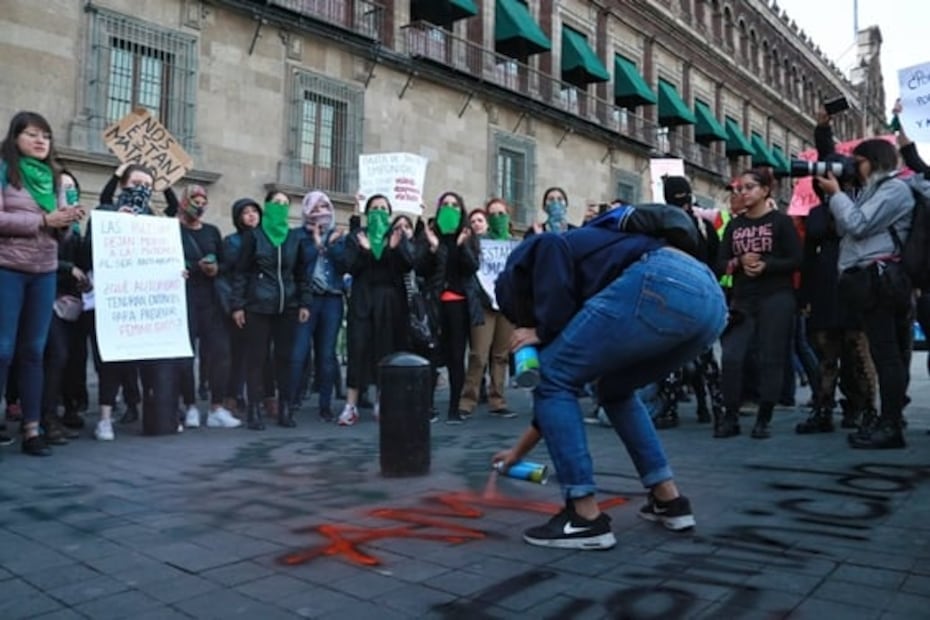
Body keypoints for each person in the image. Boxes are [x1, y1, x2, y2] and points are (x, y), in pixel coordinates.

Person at [494, 207, 727, 549]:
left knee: (554, 377)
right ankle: (669, 500)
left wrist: (540, 328)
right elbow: (559, 405)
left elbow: (553, 383)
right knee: (613, 388)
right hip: (710, 302)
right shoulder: (589, 277)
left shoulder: (534, 253)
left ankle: (584, 517)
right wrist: (517, 453)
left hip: (661, 280)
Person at [816, 139, 925, 449]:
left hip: (882, 282)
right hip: (869, 281)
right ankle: (888, 421)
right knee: (885, 353)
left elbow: (856, 224)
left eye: (858, 161)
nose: (854, 167)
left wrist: (837, 195)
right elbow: (844, 229)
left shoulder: (894, 189)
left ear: (874, 161)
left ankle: (891, 425)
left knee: (887, 355)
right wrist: (841, 195)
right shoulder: (873, 190)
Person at [0, 111, 85, 456]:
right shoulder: (5, 170)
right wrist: (42, 219)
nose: (40, 141)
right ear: (15, 137)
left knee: (34, 351)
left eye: (45, 136)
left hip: (44, 271)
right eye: (32, 134)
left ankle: (32, 429)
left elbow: (60, 232)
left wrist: (67, 221)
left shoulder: (53, 178)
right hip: (7, 268)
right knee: (3, 349)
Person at [716, 168, 802, 439]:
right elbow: (720, 262)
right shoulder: (734, 225)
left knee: (770, 357)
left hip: (776, 295)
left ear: (766, 191)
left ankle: (764, 417)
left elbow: (797, 259)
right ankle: (730, 415)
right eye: (740, 188)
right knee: (731, 356)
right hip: (742, 298)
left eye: (749, 187)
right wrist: (738, 262)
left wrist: (767, 265)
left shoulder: (781, 222)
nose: (743, 192)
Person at [230, 191, 311, 430]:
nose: (281, 207)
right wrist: (238, 305)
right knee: (257, 358)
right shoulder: (254, 236)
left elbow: (301, 274)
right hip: (258, 306)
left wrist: (305, 302)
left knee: (284, 358)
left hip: (287, 307)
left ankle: (285, 408)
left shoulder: (294, 238)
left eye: (285, 204)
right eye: (277, 203)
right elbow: (241, 273)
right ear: (267, 206)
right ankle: (254, 409)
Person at [331, 196, 415, 425]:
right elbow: (349, 265)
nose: (379, 211)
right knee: (357, 347)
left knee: (385, 348)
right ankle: (351, 405)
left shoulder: (395, 234)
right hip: (362, 299)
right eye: (375, 208)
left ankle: (382, 401)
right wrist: (366, 251)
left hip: (390, 302)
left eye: (383, 208)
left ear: (389, 213)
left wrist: (394, 248)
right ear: (368, 212)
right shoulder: (357, 236)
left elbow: (407, 264)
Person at [176, 185, 240, 429]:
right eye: (195, 199)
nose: (200, 205)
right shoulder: (173, 230)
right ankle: (190, 406)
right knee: (185, 356)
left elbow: (225, 264)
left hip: (213, 302)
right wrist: (194, 267)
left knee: (221, 354)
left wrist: (215, 269)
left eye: (204, 200)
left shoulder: (212, 231)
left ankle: (216, 408)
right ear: (184, 201)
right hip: (185, 300)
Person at [419, 192, 483, 424]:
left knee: (457, 357)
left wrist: (460, 246)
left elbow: (472, 267)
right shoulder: (430, 235)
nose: (449, 208)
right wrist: (434, 248)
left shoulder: (468, 236)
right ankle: (427, 406)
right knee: (431, 356)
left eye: (454, 205)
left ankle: (455, 408)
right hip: (434, 304)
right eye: (445, 204)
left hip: (458, 305)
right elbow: (420, 268)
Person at [289, 190, 346, 422]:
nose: (321, 212)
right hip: (307, 300)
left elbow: (344, 264)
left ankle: (325, 404)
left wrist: (331, 245)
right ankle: (289, 402)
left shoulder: (338, 236)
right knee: (299, 352)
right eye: (315, 208)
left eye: (325, 207)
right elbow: (300, 263)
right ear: (306, 211)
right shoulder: (297, 236)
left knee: (327, 354)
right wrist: (318, 243)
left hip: (332, 299)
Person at [459, 199, 517, 419]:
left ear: (508, 215)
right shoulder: (478, 243)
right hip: (484, 304)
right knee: (478, 354)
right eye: (492, 214)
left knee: (501, 355)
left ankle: (497, 400)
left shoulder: (514, 244)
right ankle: (468, 400)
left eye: (501, 213)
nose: (497, 218)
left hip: (506, 304)